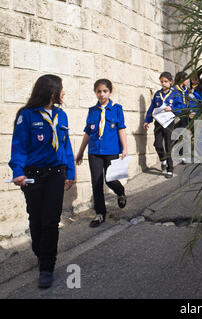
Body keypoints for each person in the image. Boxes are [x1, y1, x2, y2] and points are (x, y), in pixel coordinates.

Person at [9, 74, 75, 288]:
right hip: (33, 175)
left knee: (51, 220)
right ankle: (40, 251)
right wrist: (17, 171)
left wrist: (70, 172)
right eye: (61, 89)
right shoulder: (26, 116)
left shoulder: (61, 116)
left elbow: (66, 146)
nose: (64, 93)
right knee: (36, 219)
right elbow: (19, 146)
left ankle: (47, 266)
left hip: (56, 173)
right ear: (52, 92)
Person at [75, 79, 128, 228]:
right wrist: (80, 152)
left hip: (111, 151)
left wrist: (124, 148)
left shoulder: (117, 109)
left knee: (110, 179)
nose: (102, 94)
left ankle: (120, 191)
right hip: (94, 151)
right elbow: (87, 132)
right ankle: (100, 214)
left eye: (105, 91)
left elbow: (121, 129)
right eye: (99, 91)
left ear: (110, 92)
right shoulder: (92, 110)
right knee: (96, 182)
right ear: (95, 92)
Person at [144, 72, 183, 178]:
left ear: (171, 82)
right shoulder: (157, 94)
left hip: (169, 122)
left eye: (166, 81)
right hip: (158, 122)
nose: (163, 83)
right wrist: (147, 120)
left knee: (168, 145)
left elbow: (181, 107)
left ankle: (170, 169)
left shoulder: (175, 94)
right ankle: (163, 159)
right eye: (162, 81)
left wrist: (172, 109)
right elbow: (152, 108)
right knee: (157, 144)